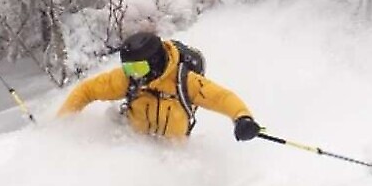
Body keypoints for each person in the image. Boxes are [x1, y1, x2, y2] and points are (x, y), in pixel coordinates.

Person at [56, 31, 263, 143]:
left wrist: (242, 118)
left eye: (138, 68)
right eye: (128, 68)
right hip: (132, 144)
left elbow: (221, 97)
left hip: (171, 153)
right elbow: (87, 90)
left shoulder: (184, 82)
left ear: (155, 62)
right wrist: (62, 122)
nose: (132, 74)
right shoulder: (129, 79)